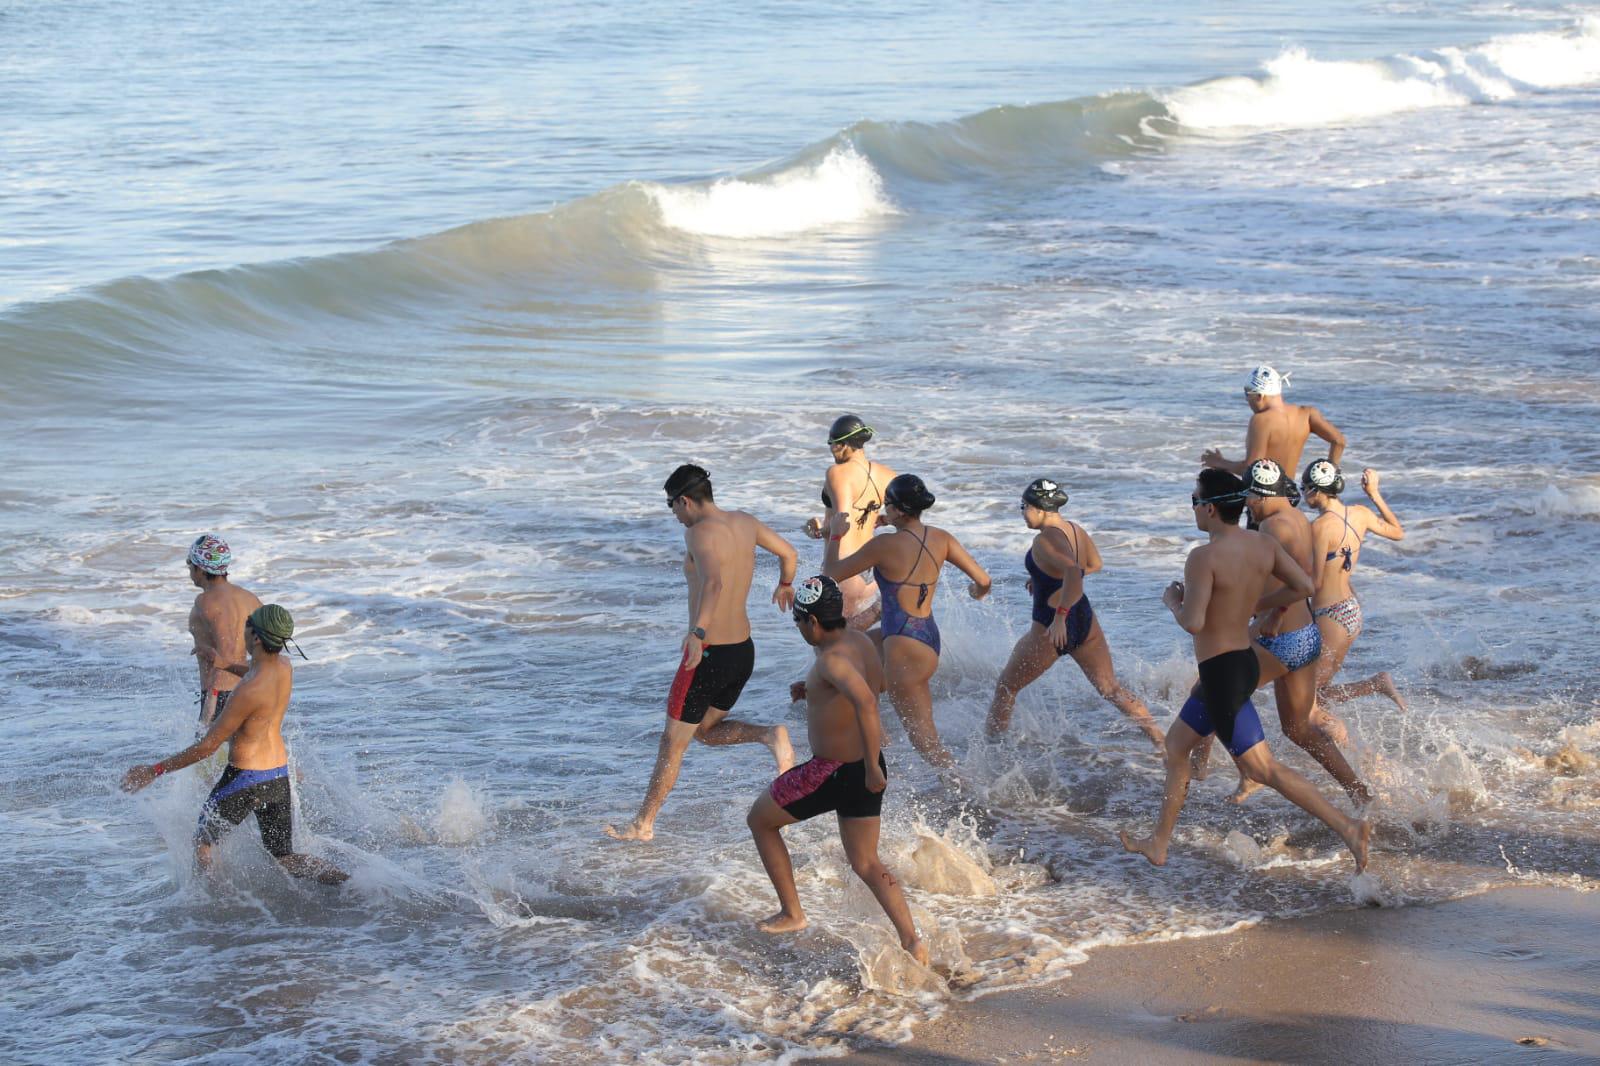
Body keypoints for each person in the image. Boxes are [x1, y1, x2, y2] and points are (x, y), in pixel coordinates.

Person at [1120, 469, 1371, 872]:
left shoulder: (1202, 557)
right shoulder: (1262, 543)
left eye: (1195, 501)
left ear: (1212, 508)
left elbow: (1193, 622)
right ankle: (1159, 842)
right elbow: (1305, 587)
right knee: (1177, 746)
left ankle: (1349, 827)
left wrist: (1173, 600)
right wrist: (1256, 604)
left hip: (1222, 674)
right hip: (1241, 662)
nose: (1194, 508)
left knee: (1263, 768)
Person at [606, 465, 799, 842]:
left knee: (671, 743)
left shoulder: (699, 533)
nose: (674, 515)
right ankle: (771, 735)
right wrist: (785, 584)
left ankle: (642, 825)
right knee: (706, 732)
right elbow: (789, 553)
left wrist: (697, 632)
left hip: (708, 654)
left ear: (685, 500)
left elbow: (713, 582)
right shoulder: (744, 522)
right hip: (743, 652)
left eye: (671, 506)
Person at [747, 575, 928, 965]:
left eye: (798, 623)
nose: (799, 629)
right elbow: (871, 684)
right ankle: (912, 941)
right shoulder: (860, 642)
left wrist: (870, 771)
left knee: (760, 820)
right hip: (864, 765)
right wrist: (812, 689)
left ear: (812, 622)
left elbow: (865, 701)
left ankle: (792, 913)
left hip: (832, 771)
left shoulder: (829, 659)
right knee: (865, 862)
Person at [121, 605, 348, 884]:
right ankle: (351, 884)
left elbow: (207, 746)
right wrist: (224, 663)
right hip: (277, 775)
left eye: (246, 627)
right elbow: (255, 670)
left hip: (244, 779)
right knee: (285, 857)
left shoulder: (246, 691)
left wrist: (153, 771)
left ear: (255, 638)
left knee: (203, 845)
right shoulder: (284, 667)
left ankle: (213, 911)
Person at [823, 474, 991, 769]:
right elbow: (983, 581)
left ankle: (969, 794)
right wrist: (976, 593)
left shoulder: (884, 546)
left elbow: (831, 574)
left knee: (926, 742)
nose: (882, 511)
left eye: (887, 505)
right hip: (925, 636)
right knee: (848, 654)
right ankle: (870, 748)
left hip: (902, 645)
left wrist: (835, 534)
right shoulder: (942, 537)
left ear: (900, 509)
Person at [985, 479, 1164, 750]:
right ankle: (1162, 743)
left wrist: (1059, 616)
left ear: (1040, 508)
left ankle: (992, 750)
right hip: (1084, 619)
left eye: (1024, 506)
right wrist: (1045, 579)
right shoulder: (1074, 530)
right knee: (1110, 689)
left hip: (1051, 626)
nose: (1022, 512)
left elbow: (1072, 572)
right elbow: (1093, 564)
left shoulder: (1044, 539)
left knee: (1006, 688)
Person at [1231, 459, 1369, 805]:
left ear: (1259, 495)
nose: (1246, 505)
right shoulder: (1299, 521)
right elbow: (1299, 575)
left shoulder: (1271, 529)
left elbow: (1304, 583)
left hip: (1284, 638)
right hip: (1307, 634)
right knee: (1299, 728)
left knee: (1212, 692)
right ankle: (1360, 793)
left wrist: (1269, 612)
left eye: (1248, 497)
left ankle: (1249, 771)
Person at [1302, 461, 1407, 710]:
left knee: (1310, 697)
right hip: (1351, 610)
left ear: (1315, 491)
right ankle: (1350, 745)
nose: (1303, 494)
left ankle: (1376, 684)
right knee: (1318, 693)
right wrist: (1374, 494)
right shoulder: (1360, 513)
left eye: (1304, 488)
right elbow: (1397, 532)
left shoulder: (1319, 527)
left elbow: (1314, 582)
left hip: (1330, 615)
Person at [804, 415, 898, 628]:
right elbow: (907, 509)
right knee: (855, 641)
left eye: (831, 444)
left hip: (845, 565)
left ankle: (878, 612)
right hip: (873, 569)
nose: (831, 450)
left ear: (843, 445)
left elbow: (842, 520)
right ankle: (878, 611)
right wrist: (883, 518)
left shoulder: (838, 472)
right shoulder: (887, 474)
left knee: (830, 641)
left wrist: (820, 529)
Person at [1201, 365, 1345, 488]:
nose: (1246, 400)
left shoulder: (1261, 420)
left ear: (1260, 396)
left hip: (1266, 499)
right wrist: (1327, 479)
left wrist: (1220, 463)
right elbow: (1339, 441)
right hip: (1292, 494)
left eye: (1247, 394)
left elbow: (1250, 470)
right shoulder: (1307, 414)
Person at [184, 534, 262, 729]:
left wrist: (208, 714)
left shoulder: (206, 601)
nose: (189, 570)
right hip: (252, 688)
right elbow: (266, 652)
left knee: (208, 757)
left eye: (189, 564)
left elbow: (225, 653)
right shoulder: (250, 599)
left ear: (200, 568)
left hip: (221, 696)